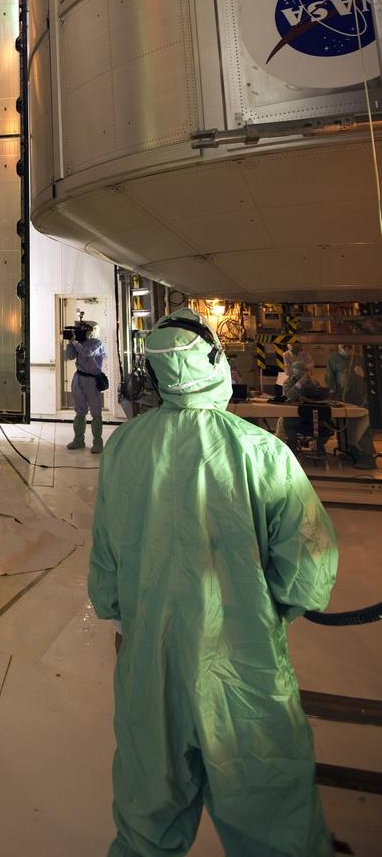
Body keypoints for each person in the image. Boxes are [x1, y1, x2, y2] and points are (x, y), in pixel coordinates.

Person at [89, 307, 338, 857]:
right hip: (241, 664)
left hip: (149, 661)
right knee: (271, 812)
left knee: (145, 814)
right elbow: (311, 564)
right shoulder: (259, 450)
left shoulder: (126, 448)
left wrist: (123, 615)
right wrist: (265, 610)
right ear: (215, 361)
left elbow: (106, 561)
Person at [325, 345, 376, 469]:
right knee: (345, 427)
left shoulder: (359, 359)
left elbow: (371, 379)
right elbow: (330, 379)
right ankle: (349, 452)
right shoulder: (333, 359)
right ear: (338, 346)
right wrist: (332, 395)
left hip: (361, 399)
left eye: (349, 347)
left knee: (362, 427)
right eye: (344, 347)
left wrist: (363, 376)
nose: (347, 349)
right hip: (343, 399)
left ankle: (367, 457)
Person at [65, 320, 106, 453]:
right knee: (79, 411)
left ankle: (98, 442)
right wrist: (70, 342)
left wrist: (76, 343)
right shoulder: (79, 343)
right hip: (79, 377)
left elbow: (87, 352)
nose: (83, 332)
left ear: (93, 330)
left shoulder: (97, 343)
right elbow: (70, 356)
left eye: (85, 329)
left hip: (92, 380)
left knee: (95, 412)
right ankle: (78, 439)